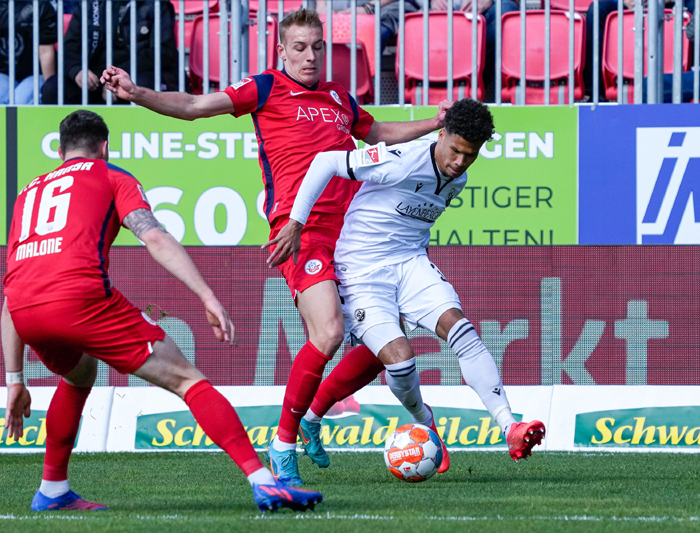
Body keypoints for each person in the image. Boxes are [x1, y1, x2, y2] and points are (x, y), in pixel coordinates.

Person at [101, 8, 452, 487]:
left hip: (356, 234)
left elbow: (377, 134)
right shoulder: (265, 87)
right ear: (281, 50)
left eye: (317, 47)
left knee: (383, 349)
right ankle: (282, 445)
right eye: (300, 48)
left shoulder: (338, 97)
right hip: (301, 230)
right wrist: (136, 93)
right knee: (328, 332)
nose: (310, 57)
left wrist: (433, 123)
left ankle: (313, 416)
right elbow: (194, 105)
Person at [2, 110, 323, 513]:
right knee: (188, 380)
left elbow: (10, 288)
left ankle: (52, 490)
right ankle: (264, 482)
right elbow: (153, 237)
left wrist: (14, 379)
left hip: (24, 309)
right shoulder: (111, 175)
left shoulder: (28, 193)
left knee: (79, 372)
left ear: (61, 150)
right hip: (79, 298)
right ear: (105, 147)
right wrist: (206, 295)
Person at [267, 98, 546, 468]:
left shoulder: (458, 177)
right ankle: (425, 422)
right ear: (441, 135)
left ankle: (509, 426)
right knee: (399, 362)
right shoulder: (401, 160)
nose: (460, 162)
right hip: (362, 270)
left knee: (462, 330)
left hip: (410, 262)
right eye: (455, 150)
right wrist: (297, 222)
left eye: (470, 155)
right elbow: (327, 162)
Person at [41, 0, 180, 105]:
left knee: (142, 84)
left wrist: (118, 76)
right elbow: (69, 47)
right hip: (95, 78)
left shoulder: (157, 5)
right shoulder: (90, 4)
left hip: (135, 73)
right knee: (53, 88)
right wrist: (77, 70)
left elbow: (163, 52)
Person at [0, 0, 57, 105]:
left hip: (35, 74)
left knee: (21, 102)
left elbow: (45, 52)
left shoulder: (41, 4)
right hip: (1, 74)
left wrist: (50, 91)